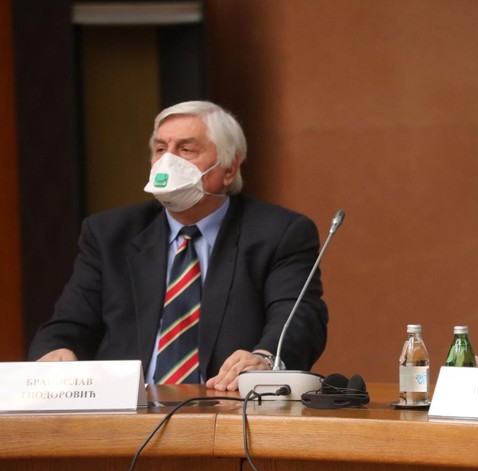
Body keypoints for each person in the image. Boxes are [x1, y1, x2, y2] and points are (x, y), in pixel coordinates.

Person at [29, 101, 328, 391]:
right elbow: (68, 325)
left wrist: (265, 359)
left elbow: (297, 318)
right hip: (127, 410)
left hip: (226, 406)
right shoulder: (109, 233)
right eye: (160, 149)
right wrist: (57, 350)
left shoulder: (279, 233)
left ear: (229, 168)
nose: (167, 162)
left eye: (186, 150)